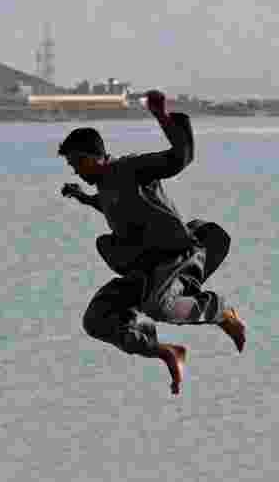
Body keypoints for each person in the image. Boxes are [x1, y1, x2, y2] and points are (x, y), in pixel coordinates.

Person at [58, 89, 245, 395]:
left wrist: (162, 117)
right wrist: (82, 197)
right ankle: (166, 352)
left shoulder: (131, 169)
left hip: (179, 256)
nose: (75, 170)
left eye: (76, 164)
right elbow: (112, 204)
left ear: (89, 157)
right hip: (146, 269)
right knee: (97, 318)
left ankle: (220, 312)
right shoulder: (105, 186)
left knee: (158, 305)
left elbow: (179, 157)